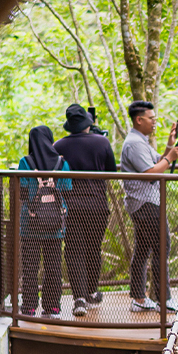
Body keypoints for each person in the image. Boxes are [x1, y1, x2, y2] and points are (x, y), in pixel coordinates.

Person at [54, 103, 117, 317]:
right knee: (93, 248)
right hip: (97, 204)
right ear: (88, 124)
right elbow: (111, 172)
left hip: (69, 205)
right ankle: (91, 291)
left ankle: (79, 297)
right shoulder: (102, 142)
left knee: (73, 250)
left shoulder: (58, 145)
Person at [121, 100, 178, 313]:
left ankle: (139, 297)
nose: (154, 122)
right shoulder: (135, 143)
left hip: (145, 203)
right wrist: (171, 157)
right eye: (151, 118)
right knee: (161, 248)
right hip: (145, 203)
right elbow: (150, 173)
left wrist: (168, 145)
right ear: (139, 120)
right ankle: (163, 298)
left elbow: (158, 161)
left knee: (144, 250)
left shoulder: (141, 141)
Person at [19, 126, 71, 317]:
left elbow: (22, 191)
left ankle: (29, 307)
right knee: (53, 266)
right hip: (55, 225)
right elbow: (67, 187)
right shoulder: (61, 163)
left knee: (30, 267)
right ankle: (53, 307)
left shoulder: (25, 162)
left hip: (30, 224)